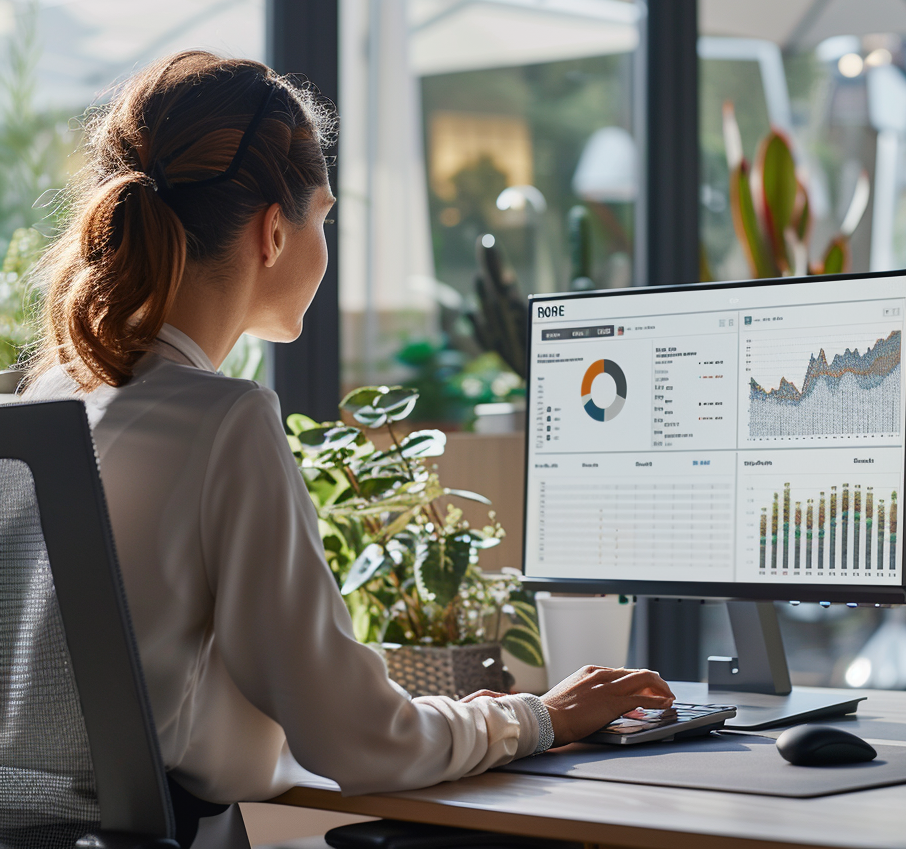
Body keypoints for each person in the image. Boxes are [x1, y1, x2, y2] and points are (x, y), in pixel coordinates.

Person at [26, 51, 674, 830]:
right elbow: (359, 743)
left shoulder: (51, 399)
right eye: (323, 217)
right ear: (272, 232)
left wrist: (436, 716)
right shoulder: (222, 419)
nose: (324, 245)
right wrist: (544, 716)